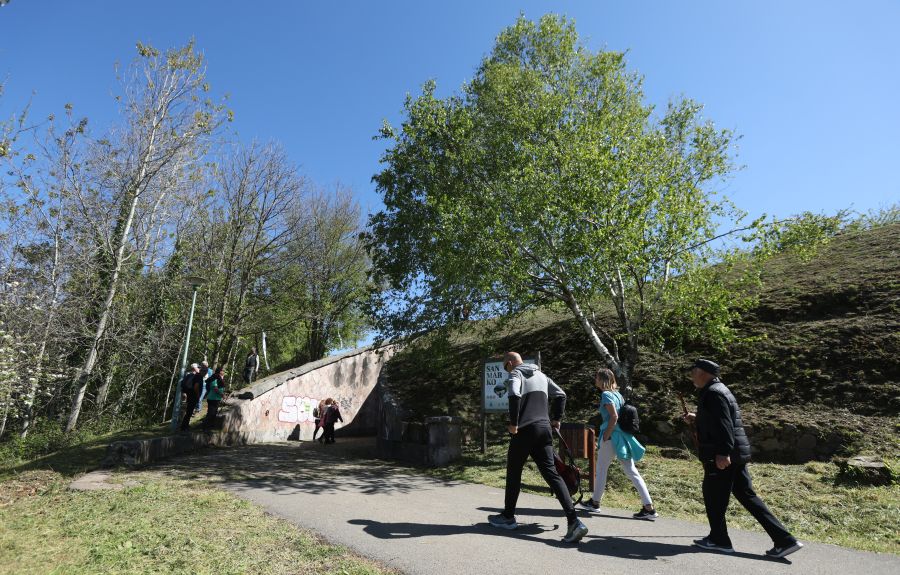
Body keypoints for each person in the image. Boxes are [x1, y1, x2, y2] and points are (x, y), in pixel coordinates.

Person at [683, 359, 803, 558]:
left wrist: (723, 452)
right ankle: (785, 540)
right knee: (747, 496)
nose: (692, 376)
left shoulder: (713, 393)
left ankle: (719, 540)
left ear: (703, 372)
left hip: (723, 455)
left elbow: (725, 426)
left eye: (693, 372)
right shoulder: (720, 390)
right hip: (736, 453)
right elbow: (721, 420)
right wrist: (698, 418)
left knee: (713, 496)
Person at [487, 352, 588, 544]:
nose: (506, 371)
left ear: (510, 363)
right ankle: (574, 521)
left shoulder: (515, 374)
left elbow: (514, 394)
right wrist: (556, 419)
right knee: (552, 475)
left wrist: (514, 423)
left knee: (514, 472)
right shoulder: (542, 376)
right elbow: (561, 395)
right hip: (544, 430)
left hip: (525, 430)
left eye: (505, 367)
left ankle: (508, 517)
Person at [580, 368, 658, 520]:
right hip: (622, 438)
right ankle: (649, 508)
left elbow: (614, 417)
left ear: (602, 379)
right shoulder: (618, 395)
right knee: (631, 471)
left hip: (611, 437)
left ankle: (595, 503)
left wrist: (606, 436)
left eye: (596, 377)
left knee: (602, 469)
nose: (595, 380)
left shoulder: (606, 395)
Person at [180, 363, 204, 432]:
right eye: (199, 368)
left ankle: (185, 425)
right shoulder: (197, 376)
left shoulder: (189, 375)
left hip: (189, 394)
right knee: (189, 411)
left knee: (189, 411)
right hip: (193, 395)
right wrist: (198, 395)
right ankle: (184, 427)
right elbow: (196, 386)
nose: (200, 369)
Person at [203, 365, 226, 431]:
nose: (223, 372)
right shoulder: (214, 378)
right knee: (211, 413)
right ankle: (205, 427)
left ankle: (210, 426)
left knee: (214, 413)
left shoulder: (218, 378)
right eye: (223, 371)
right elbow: (215, 388)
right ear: (220, 371)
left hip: (216, 398)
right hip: (212, 398)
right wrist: (222, 395)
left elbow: (219, 387)